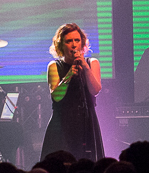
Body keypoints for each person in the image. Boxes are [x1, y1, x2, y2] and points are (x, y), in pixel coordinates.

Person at [40, 22, 104, 160]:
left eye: (77, 40)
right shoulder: (54, 66)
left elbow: (95, 90)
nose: (74, 45)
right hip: (62, 125)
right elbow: (56, 96)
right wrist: (69, 75)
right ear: (61, 45)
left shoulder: (92, 63)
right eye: (69, 41)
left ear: (82, 43)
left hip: (87, 123)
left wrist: (85, 68)